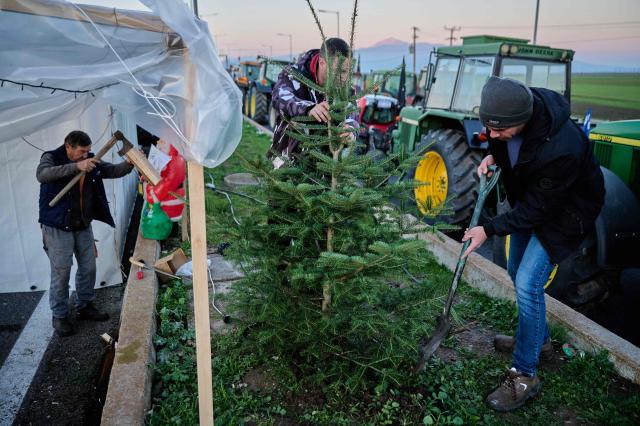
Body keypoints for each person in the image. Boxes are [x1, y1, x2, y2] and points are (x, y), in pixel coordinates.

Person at [462, 76, 604, 411]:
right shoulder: (511, 113)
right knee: (514, 268)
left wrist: (489, 229)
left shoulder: (562, 148)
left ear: (522, 121)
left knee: (528, 282)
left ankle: (525, 373)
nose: (492, 136)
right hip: (532, 200)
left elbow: (538, 210)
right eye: (489, 128)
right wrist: (493, 156)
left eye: (498, 131)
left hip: (566, 212)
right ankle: (537, 341)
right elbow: (508, 146)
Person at [37, 130, 135, 336]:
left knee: (88, 267)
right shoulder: (51, 157)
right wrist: (76, 166)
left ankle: (85, 305)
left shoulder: (91, 160)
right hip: (57, 227)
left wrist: (132, 163)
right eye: (82, 151)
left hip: (82, 224)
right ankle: (60, 315)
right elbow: (43, 175)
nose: (86, 155)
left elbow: (113, 170)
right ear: (68, 146)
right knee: (61, 272)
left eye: (88, 151)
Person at [269, 37, 358, 167]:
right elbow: (279, 98)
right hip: (288, 160)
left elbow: (353, 115)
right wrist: (308, 108)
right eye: (337, 71)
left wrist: (350, 131)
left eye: (345, 71)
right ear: (322, 63)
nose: (342, 78)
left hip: (325, 166)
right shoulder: (294, 75)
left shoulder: (346, 90)